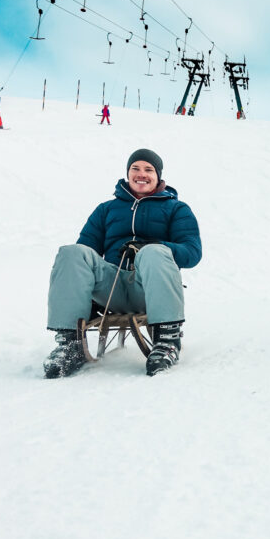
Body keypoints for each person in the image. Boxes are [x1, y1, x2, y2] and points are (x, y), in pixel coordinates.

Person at [43, 148, 202, 378]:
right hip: (111, 289)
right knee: (72, 253)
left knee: (153, 252)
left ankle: (168, 339)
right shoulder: (106, 209)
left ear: (158, 176)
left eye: (149, 169)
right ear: (127, 174)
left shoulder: (176, 209)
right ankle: (70, 344)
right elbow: (84, 256)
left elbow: (192, 253)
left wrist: (154, 245)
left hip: (150, 289)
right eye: (135, 168)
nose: (141, 174)